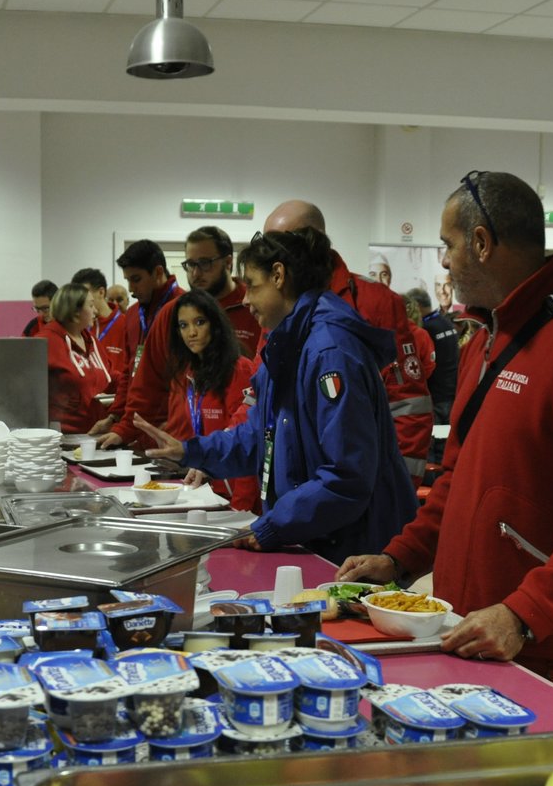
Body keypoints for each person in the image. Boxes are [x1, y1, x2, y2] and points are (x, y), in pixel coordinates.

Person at [337, 172, 553, 714]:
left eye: (449, 245)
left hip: (552, 646)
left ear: (482, 243)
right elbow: (458, 478)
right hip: (476, 629)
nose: (443, 260)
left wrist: (526, 612)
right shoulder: (487, 337)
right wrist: (400, 557)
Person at [135, 227, 416, 564]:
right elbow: (258, 436)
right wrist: (190, 451)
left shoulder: (330, 351)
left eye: (252, 285)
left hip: (354, 549)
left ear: (279, 276)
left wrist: (274, 525)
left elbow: (346, 475)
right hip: (316, 537)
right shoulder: (286, 344)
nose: (246, 300)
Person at [263, 200, 436, 481]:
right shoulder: (276, 302)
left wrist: (398, 486)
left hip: (361, 482)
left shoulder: (375, 302)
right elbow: (263, 394)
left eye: (276, 243)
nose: (267, 254)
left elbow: (408, 404)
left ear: (312, 239)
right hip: (294, 479)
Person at [97, 226, 253, 449]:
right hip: (184, 452)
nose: (196, 273)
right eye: (190, 265)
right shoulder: (172, 313)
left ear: (228, 262)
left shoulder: (254, 306)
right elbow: (145, 381)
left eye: (205, 263)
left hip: (238, 448)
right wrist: (123, 427)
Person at [164, 292, 259, 511]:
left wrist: (241, 510)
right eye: (183, 325)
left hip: (237, 500)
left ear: (214, 324)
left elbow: (247, 444)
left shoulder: (239, 369)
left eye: (199, 322)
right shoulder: (188, 373)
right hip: (209, 495)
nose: (192, 332)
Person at [87, 239, 181, 437]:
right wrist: (114, 417)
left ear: (157, 272)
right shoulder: (132, 315)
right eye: (127, 280)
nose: (130, 288)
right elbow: (131, 371)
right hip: (137, 425)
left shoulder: (184, 308)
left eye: (136, 279)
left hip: (171, 427)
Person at [43, 282, 113, 434]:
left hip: (97, 433)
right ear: (75, 311)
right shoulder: (47, 341)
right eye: (91, 305)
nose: (96, 311)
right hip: (63, 437)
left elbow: (110, 374)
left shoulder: (92, 341)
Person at [405, 286, 460, 464]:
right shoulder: (445, 323)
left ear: (417, 306)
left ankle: (433, 483)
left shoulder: (424, 331)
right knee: (444, 444)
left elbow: (423, 367)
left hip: (435, 397)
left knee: (431, 444)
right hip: (450, 393)